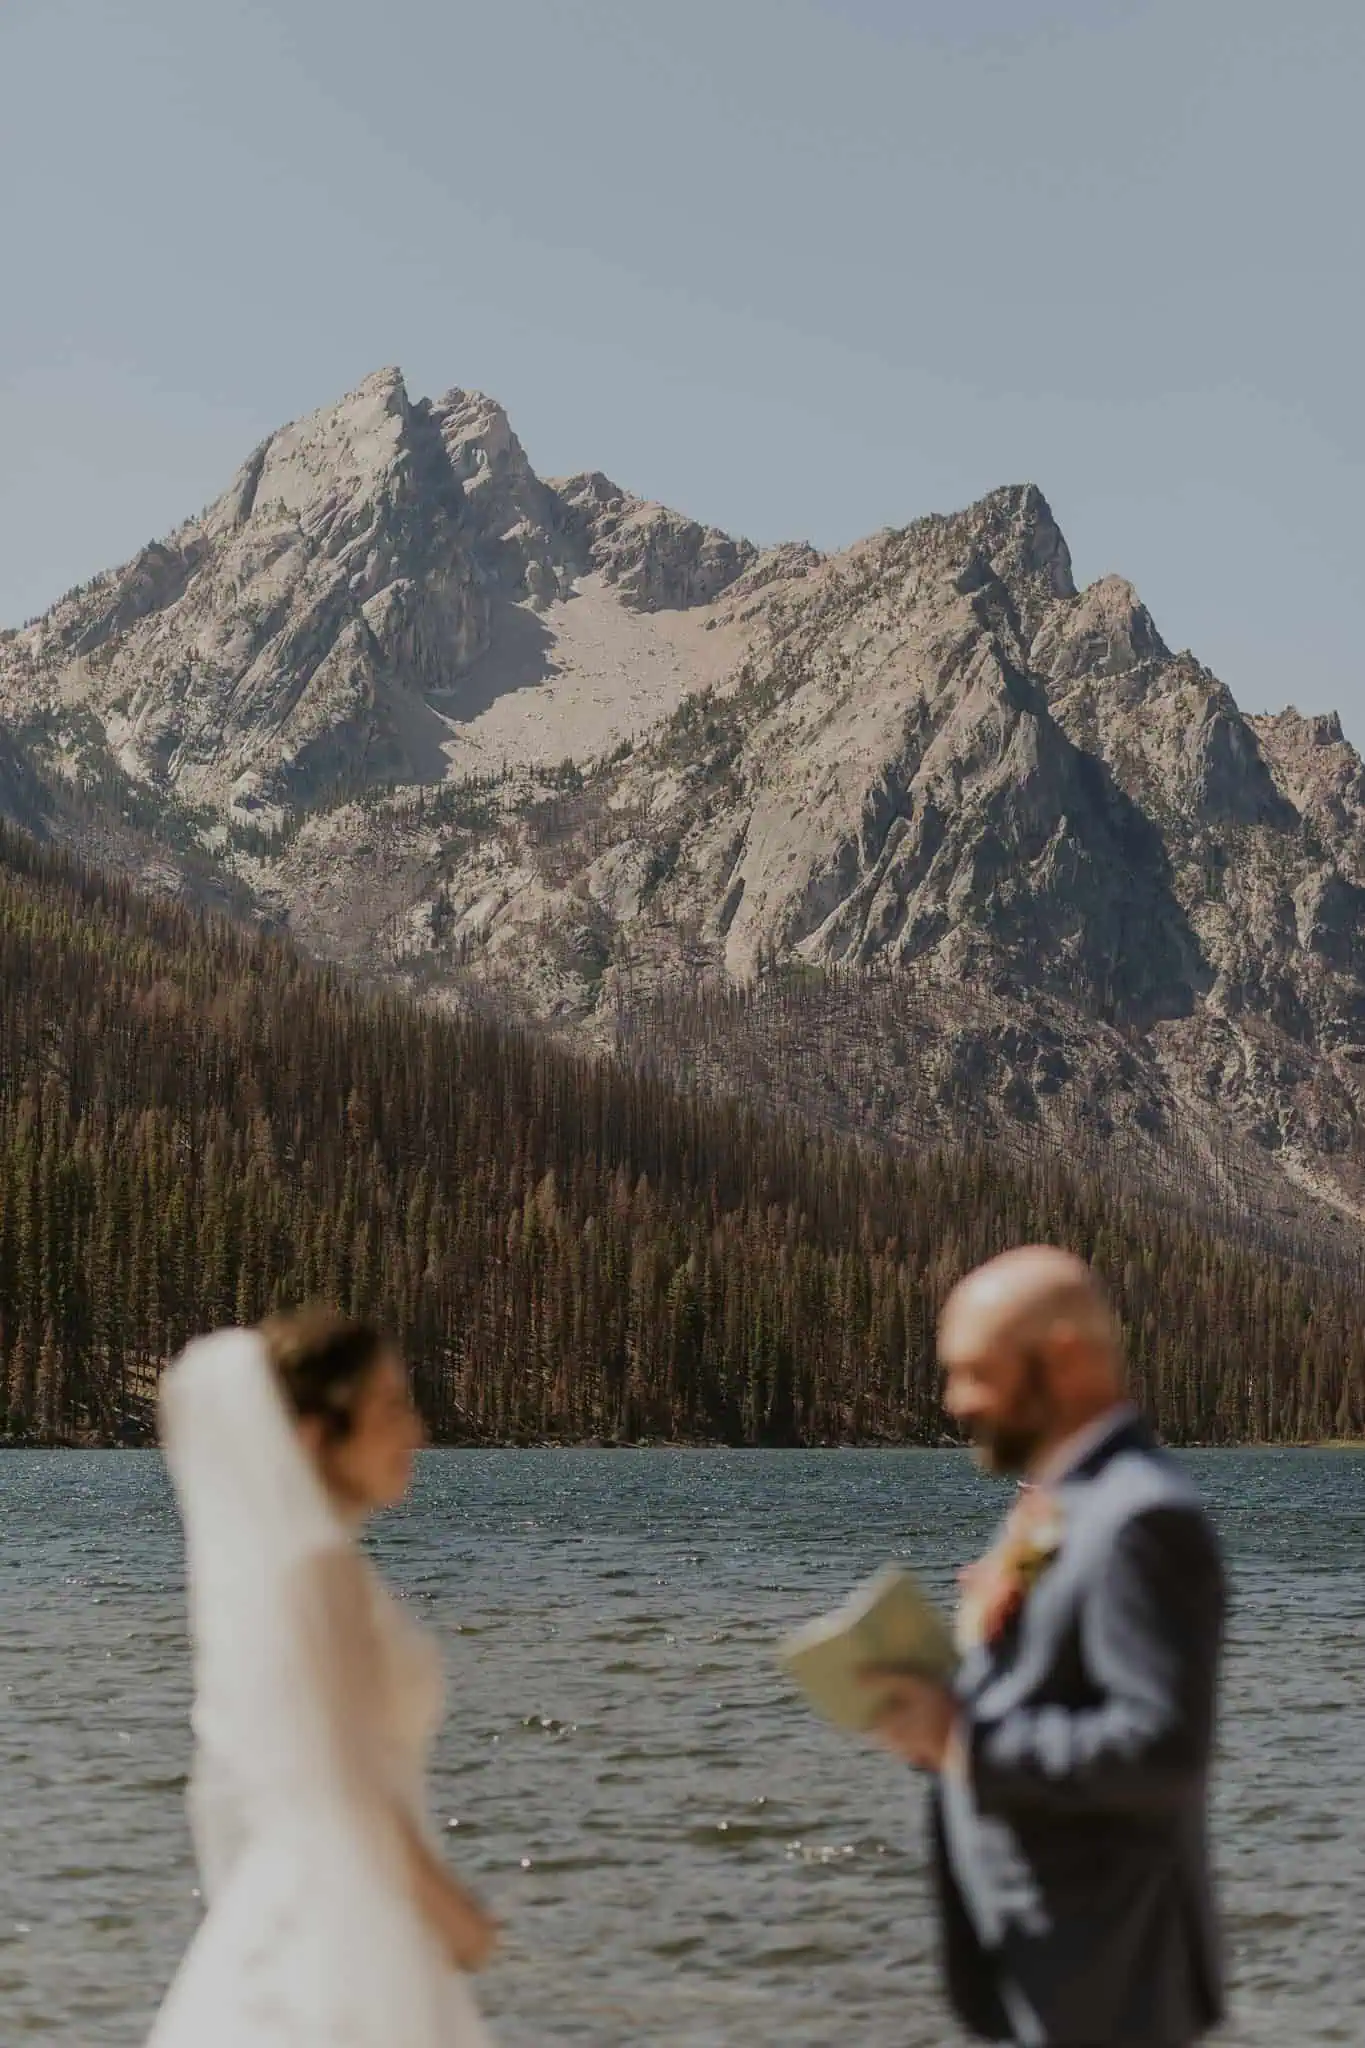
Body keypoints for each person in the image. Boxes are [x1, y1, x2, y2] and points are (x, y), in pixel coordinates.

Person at [868, 1246, 1226, 2048]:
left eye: (975, 1372)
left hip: (1108, 1980)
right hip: (1050, 1968)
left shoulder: (1141, 1520)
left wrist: (962, 1739)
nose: (956, 1400)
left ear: (1061, 1357)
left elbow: (1159, 1750)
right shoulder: (1072, 1501)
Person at [147, 1308, 498, 2048]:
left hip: (301, 1905)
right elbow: (346, 1781)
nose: (415, 1432)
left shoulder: (287, 1574)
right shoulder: (320, 1573)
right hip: (349, 1929)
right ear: (313, 1434)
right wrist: (451, 1914)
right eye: (390, 1407)